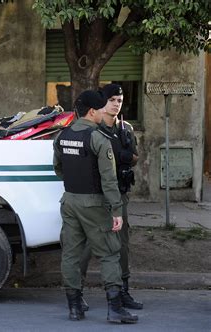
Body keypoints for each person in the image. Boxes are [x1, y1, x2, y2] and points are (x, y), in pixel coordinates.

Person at [53, 90, 138, 324]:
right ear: (92, 111)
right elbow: (108, 179)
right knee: (110, 253)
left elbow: (58, 168)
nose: (104, 112)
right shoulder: (98, 138)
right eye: (101, 109)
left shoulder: (62, 135)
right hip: (94, 203)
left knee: (71, 255)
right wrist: (116, 210)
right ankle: (115, 309)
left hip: (69, 201)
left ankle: (74, 308)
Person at [79, 84, 142, 311]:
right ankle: (76, 293)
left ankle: (123, 291)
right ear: (101, 103)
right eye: (112, 99)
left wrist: (127, 156)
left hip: (119, 194)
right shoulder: (91, 130)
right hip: (95, 196)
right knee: (86, 246)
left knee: (122, 245)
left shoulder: (126, 129)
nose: (116, 104)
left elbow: (135, 157)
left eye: (120, 100)